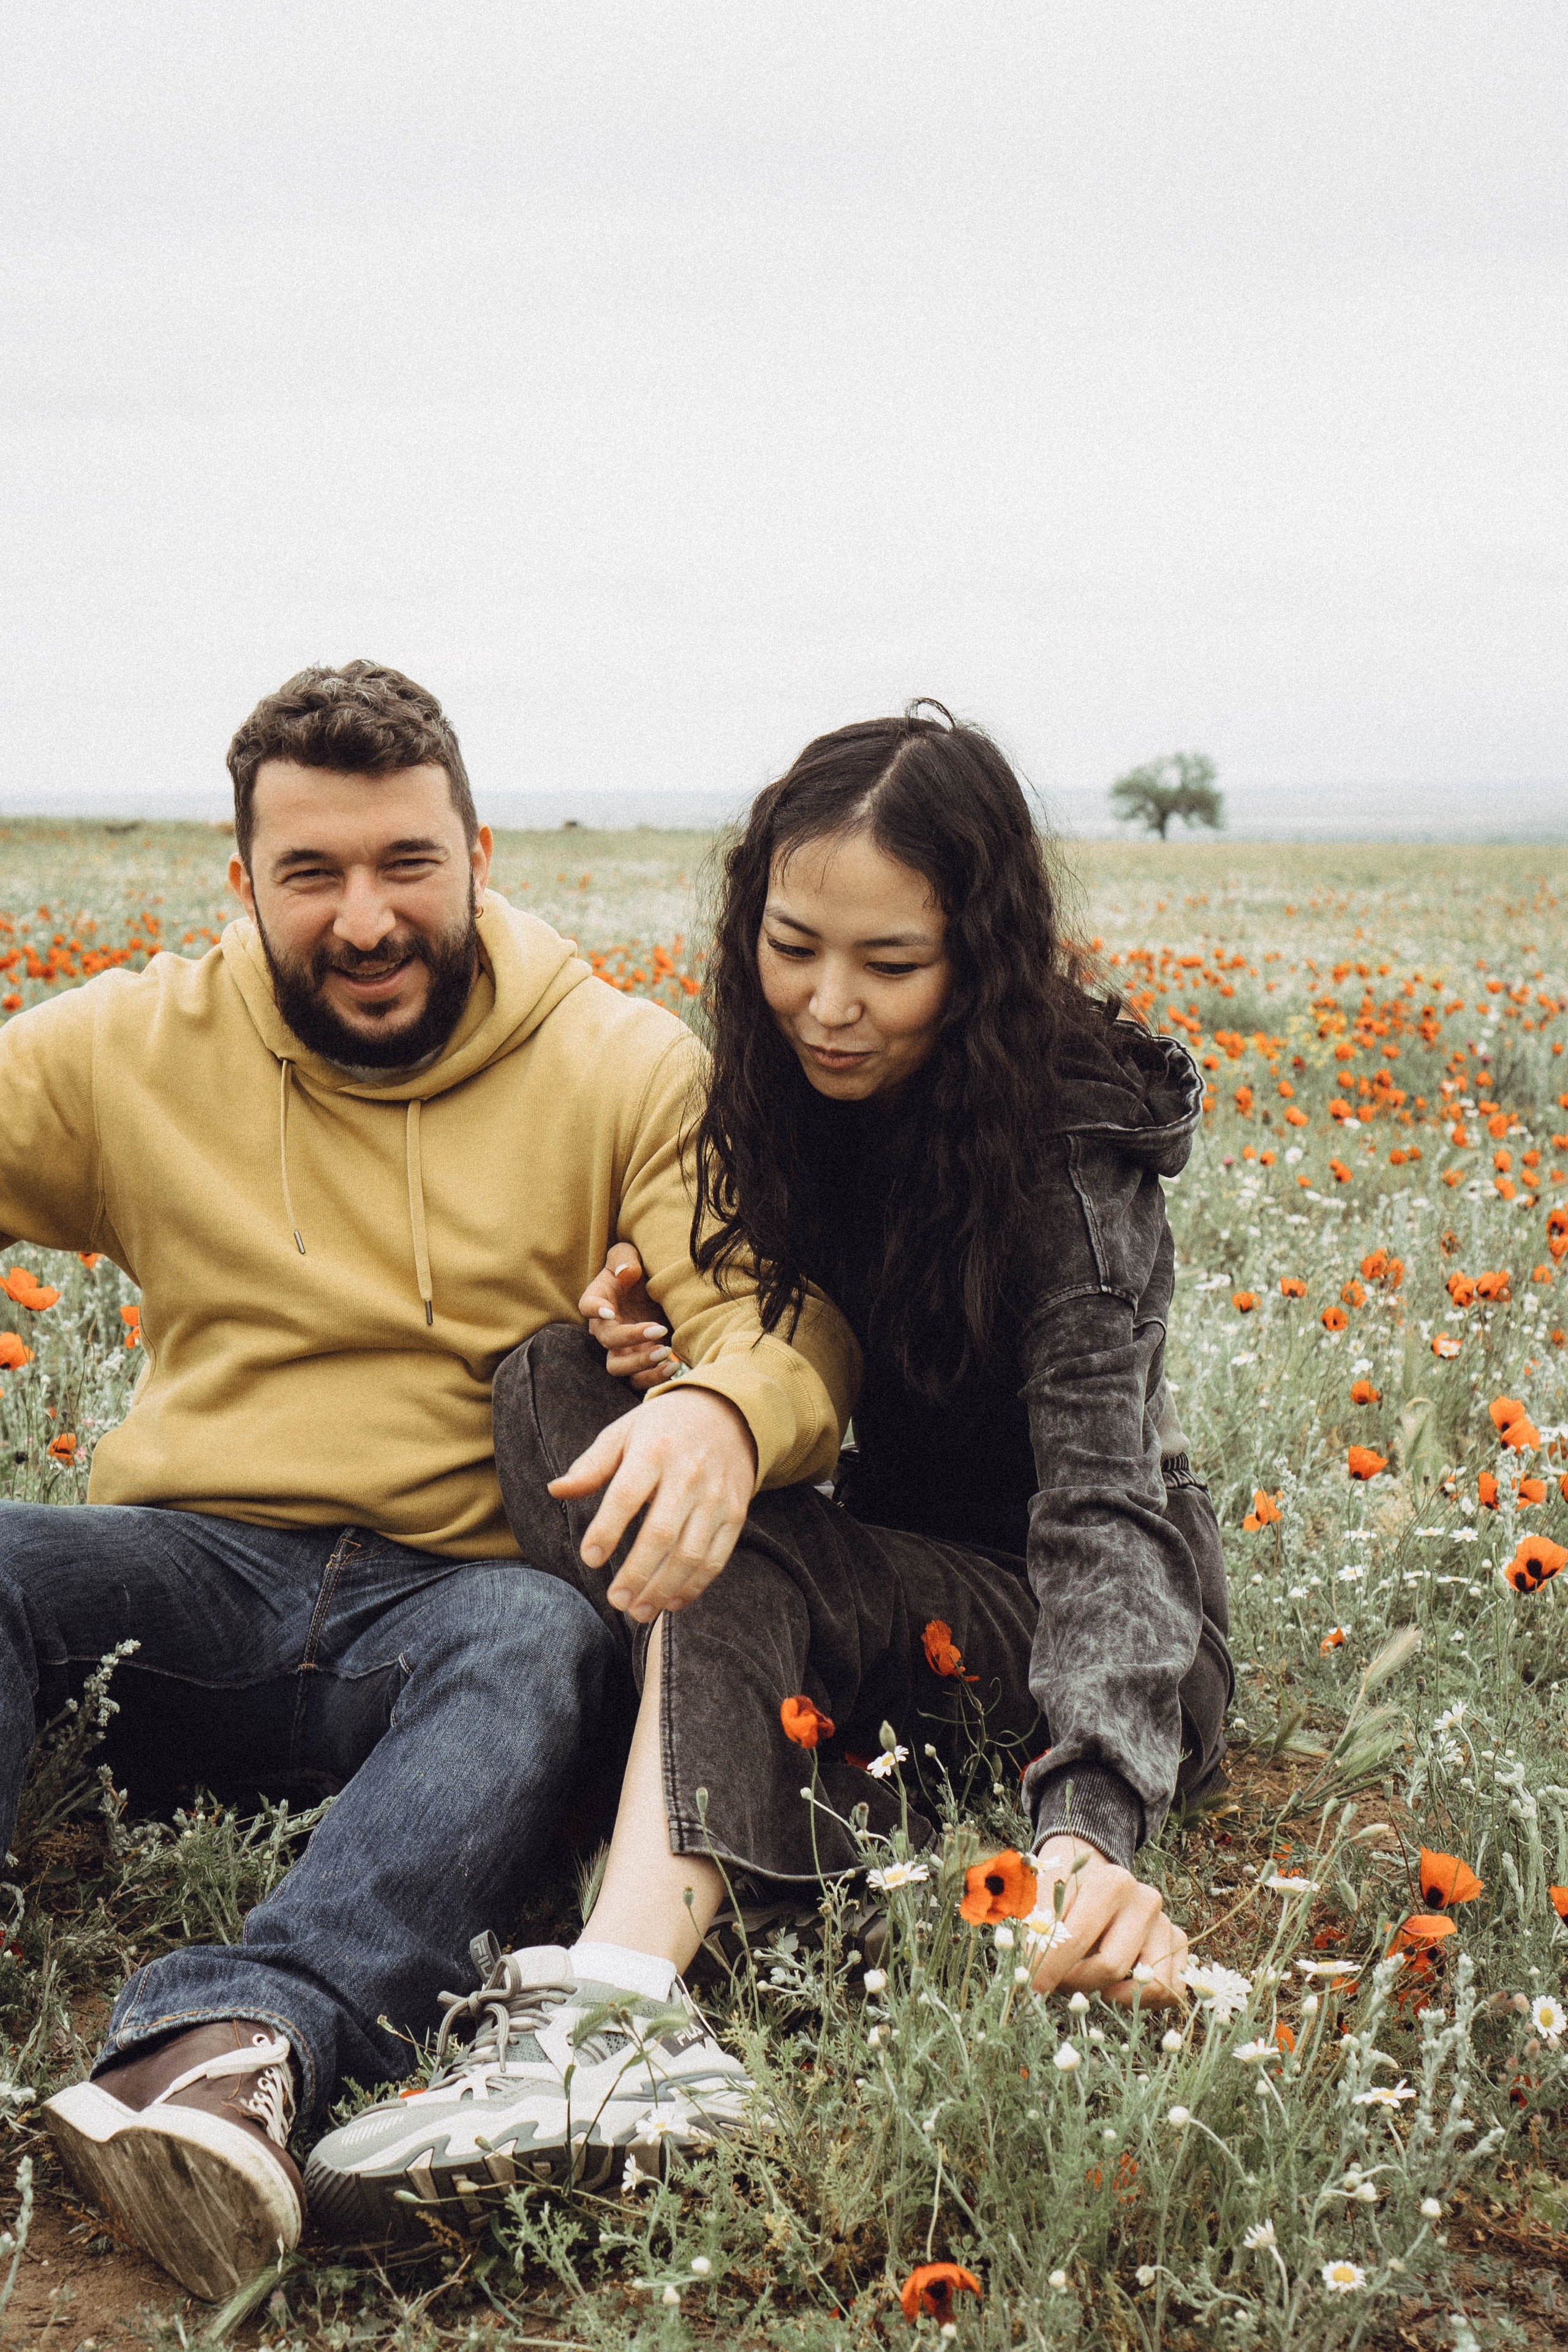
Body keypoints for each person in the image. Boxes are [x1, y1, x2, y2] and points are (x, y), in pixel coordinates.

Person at [311, 704, 1231, 2239]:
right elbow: (790, 1363)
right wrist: (672, 1372)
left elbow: (1100, 1508)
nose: (827, 1006)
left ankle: (612, 2022)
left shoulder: (1068, 1157)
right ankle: (711, 1787)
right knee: (556, 1383)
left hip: (1070, 1625)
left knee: (748, 1553)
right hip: (880, 1570)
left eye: (891, 965)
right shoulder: (783, 1095)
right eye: (793, 947)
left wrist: (1084, 1821)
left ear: (980, 956)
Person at [10, 662, 854, 2300]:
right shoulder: (129, 1046)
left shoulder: (622, 1065)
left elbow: (778, 1319)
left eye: (406, 864)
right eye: (313, 874)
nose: (368, 917)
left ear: (479, 852)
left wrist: (722, 1416)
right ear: (242, 880)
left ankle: (227, 2051)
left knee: (545, 1639)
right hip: (190, 1576)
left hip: (457, 1608)